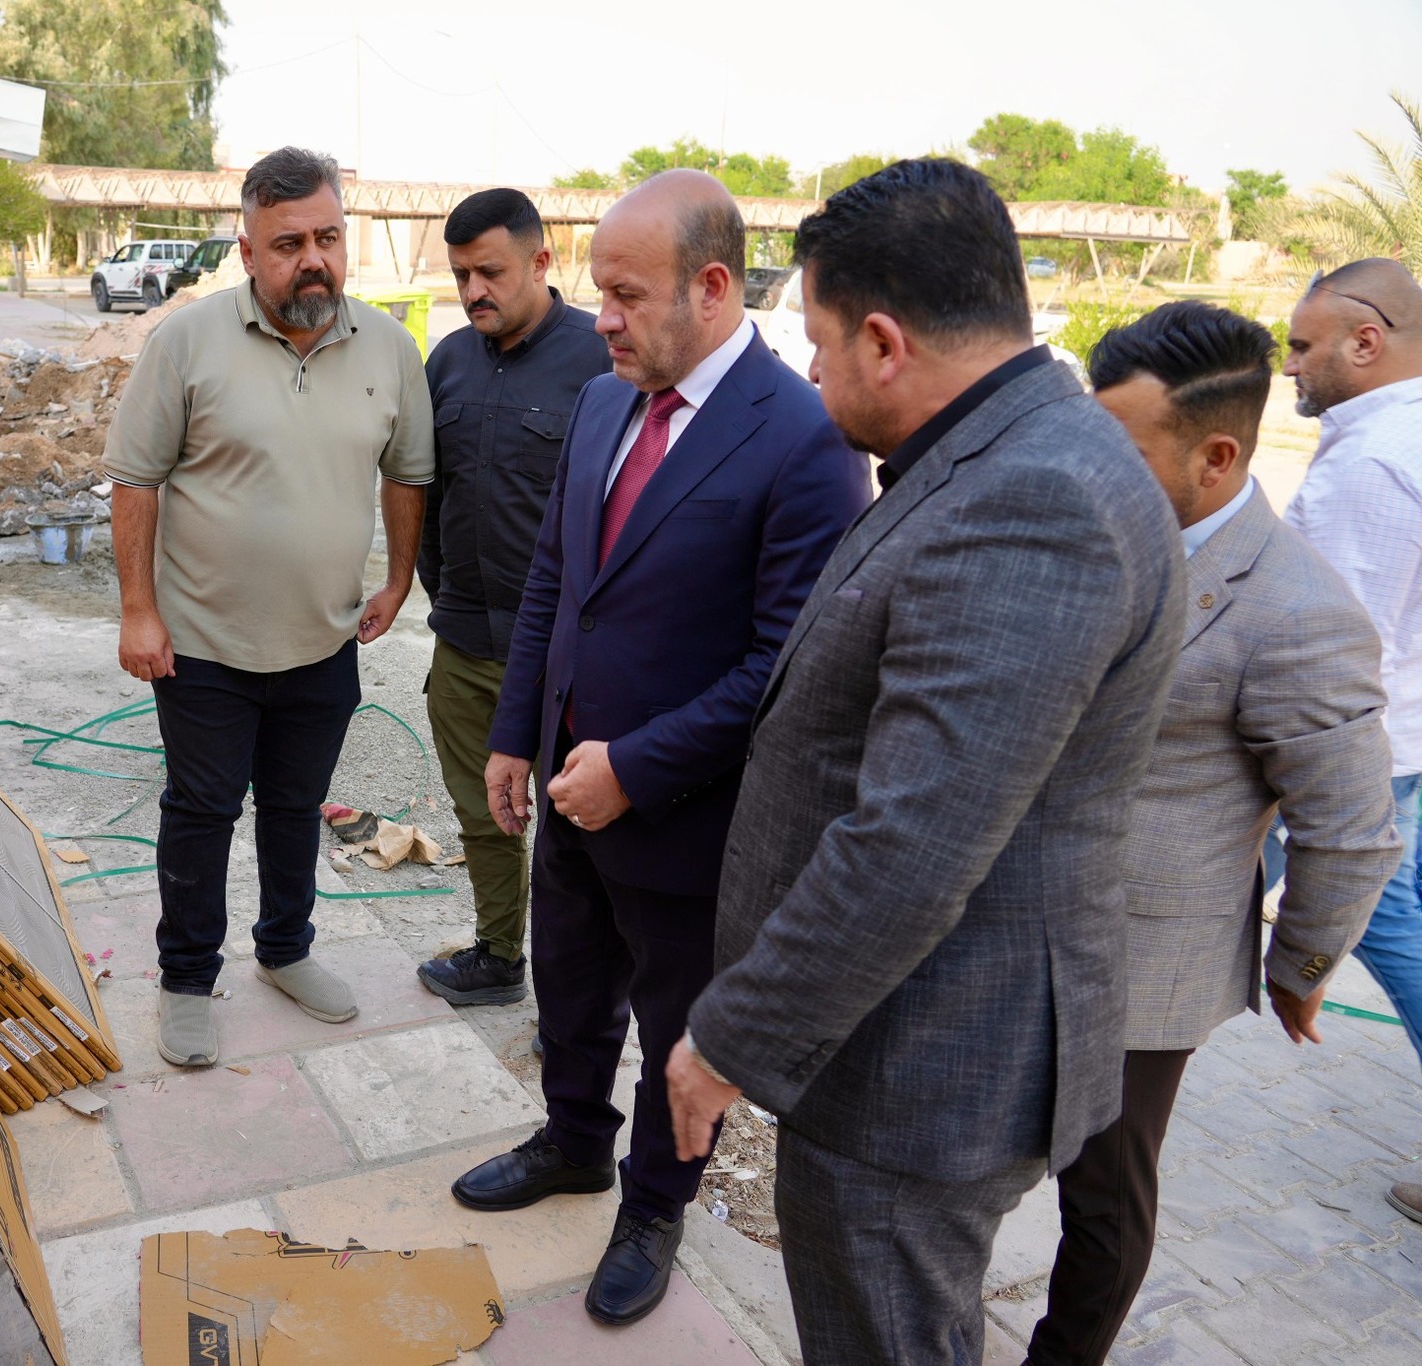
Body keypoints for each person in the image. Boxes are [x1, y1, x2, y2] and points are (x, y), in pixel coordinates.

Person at [669, 159, 1183, 1363]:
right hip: (903, 1041)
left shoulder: (1031, 499)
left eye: (817, 343)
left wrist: (728, 1038)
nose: (809, 372)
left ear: (883, 342)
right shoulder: (1005, 451)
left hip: (917, 1070)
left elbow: (911, 841)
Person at [448, 170, 868, 1327]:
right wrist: (515, 733)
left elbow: (784, 665)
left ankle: (652, 1204)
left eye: (627, 297)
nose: (603, 320)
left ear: (712, 287)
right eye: (599, 293)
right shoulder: (602, 402)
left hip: (688, 819)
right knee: (569, 983)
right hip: (567, 784)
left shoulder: (801, 439)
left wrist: (634, 767)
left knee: (674, 1026)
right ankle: (572, 1141)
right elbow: (554, 583)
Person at [1024, 301, 1400, 1363]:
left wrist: (1297, 968)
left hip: (1144, 967)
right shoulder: (1101, 530)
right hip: (1015, 923)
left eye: (1125, 451)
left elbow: (1351, 827)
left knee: (1103, 1200)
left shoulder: (1293, 609)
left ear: (1218, 456)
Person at [102, 147, 434, 1070]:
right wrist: (138, 611)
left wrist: (398, 580)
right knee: (202, 811)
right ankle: (185, 979)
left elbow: (407, 473)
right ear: (248, 252)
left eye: (328, 237)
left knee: (295, 806)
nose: (313, 260)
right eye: (289, 244)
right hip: (203, 642)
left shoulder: (390, 350)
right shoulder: (186, 341)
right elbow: (135, 479)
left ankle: (285, 951)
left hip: (323, 638)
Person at [414, 189, 611, 1007]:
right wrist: (442, 595)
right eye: (461, 275)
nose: (473, 292)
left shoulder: (602, 359)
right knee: (482, 813)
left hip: (568, 658)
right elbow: (428, 499)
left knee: (575, 829)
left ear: (541, 261)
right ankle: (498, 956)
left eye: (489, 273)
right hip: (465, 642)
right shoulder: (448, 362)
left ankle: (576, 1000)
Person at [1280, 263, 1422, 1147]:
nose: (1289, 365)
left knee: (1385, 924)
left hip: (1367, 752)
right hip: (1403, 740)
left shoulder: (1372, 464)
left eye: (1302, 345)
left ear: (1366, 342)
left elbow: (1337, 657)